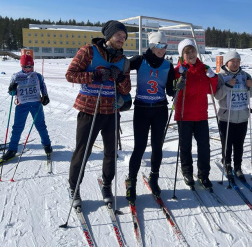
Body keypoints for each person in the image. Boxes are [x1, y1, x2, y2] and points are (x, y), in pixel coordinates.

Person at [65, 20, 131, 207]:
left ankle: (107, 184)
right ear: (109, 35)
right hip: (89, 110)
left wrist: (118, 78)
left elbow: (126, 89)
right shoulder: (89, 51)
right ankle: (74, 187)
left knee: (111, 152)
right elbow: (70, 74)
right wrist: (93, 76)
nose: (122, 39)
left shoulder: (123, 60)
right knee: (83, 151)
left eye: (124, 37)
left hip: (111, 111)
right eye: (119, 35)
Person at [125, 32, 175, 204]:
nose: (162, 49)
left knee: (157, 147)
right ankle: (131, 181)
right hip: (142, 109)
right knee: (139, 147)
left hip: (160, 109)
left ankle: (154, 178)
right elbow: (122, 66)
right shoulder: (140, 60)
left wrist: (177, 88)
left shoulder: (168, 65)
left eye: (165, 46)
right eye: (159, 46)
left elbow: (170, 90)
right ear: (152, 46)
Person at [174, 39, 218, 189]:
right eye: (187, 52)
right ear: (182, 55)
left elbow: (210, 90)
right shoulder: (179, 70)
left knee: (204, 146)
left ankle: (203, 174)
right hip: (184, 115)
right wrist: (177, 78)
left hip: (201, 115)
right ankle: (187, 171)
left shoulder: (204, 69)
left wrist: (213, 77)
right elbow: (172, 89)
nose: (191, 54)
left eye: (192, 50)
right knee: (185, 146)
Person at [1, 54, 51, 162]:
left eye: (30, 66)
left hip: (36, 104)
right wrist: (12, 88)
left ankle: (47, 145)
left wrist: (45, 96)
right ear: (21, 66)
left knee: (41, 125)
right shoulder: (16, 76)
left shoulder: (37, 76)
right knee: (17, 128)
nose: (28, 69)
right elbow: (12, 93)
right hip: (22, 105)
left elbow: (43, 87)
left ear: (33, 65)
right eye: (25, 67)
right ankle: (12, 150)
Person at [214, 51, 252, 182]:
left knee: (239, 144)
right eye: (233, 61)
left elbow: (251, 94)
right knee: (226, 144)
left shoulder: (245, 75)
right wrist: (227, 86)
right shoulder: (220, 77)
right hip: (226, 117)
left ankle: (237, 166)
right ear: (227, 62)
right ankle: (227, 164)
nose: (236, 64)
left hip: (242, 116)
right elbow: (217, 96)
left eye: (238, 61)